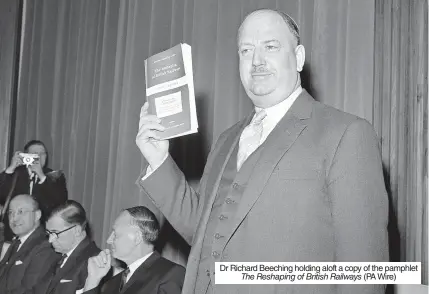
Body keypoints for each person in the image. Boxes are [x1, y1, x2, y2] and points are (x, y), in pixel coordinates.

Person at [135, 8, 389, 294]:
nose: (257, 60)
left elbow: (363, 275)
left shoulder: (346, 134)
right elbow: (206, 232)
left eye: (270, 46)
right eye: (246, 50)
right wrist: (158, 159)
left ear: (299, 57)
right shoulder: (226, 140)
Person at [83, 206, 185, 294]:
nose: (108, 240)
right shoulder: (111, 284)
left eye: (116, 234)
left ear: (137, 237)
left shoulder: (171, 274)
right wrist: (92, 279)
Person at [31, 200, 100, 294]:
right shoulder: (54, 255)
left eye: (55, 233)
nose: (50, 240)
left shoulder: (94, 262)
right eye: (49, 233)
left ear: (77, 230)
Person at [0, 194, 60, 293]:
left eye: (21, 212)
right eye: (10, 213)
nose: (14, 218)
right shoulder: (16, 243)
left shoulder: (46, 246)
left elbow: (30, 290)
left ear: (37, 215)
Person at [0, 140, 68, 224]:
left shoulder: (55, 176)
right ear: (25, 156)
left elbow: (60, 203)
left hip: (43, 228)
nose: (39, 156)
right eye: (35, 153)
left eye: (43, 153)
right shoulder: (15, 174)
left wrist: (42, 176)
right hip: (15, 225)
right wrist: (10, 168)